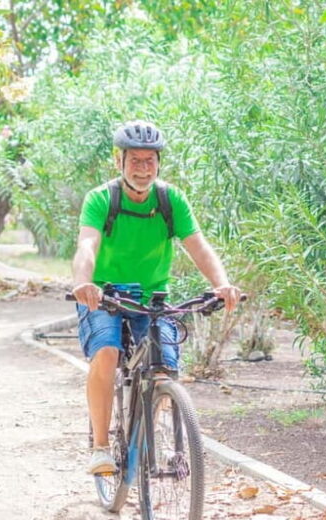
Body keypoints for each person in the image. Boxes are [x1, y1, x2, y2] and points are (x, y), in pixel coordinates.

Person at [71, 120, 243, 474]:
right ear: (119, 161)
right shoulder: (101, 199)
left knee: (164, 366)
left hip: (152, 298)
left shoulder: (170, 199)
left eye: (150, 160)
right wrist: (83, 283)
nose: (143, 168)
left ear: (159, 163)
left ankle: (149, 431)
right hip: (103, 294)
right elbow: (87, 244)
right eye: (135, 160)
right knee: (107, 352)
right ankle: (101, 447)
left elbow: (198, 246)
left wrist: (222, 284)